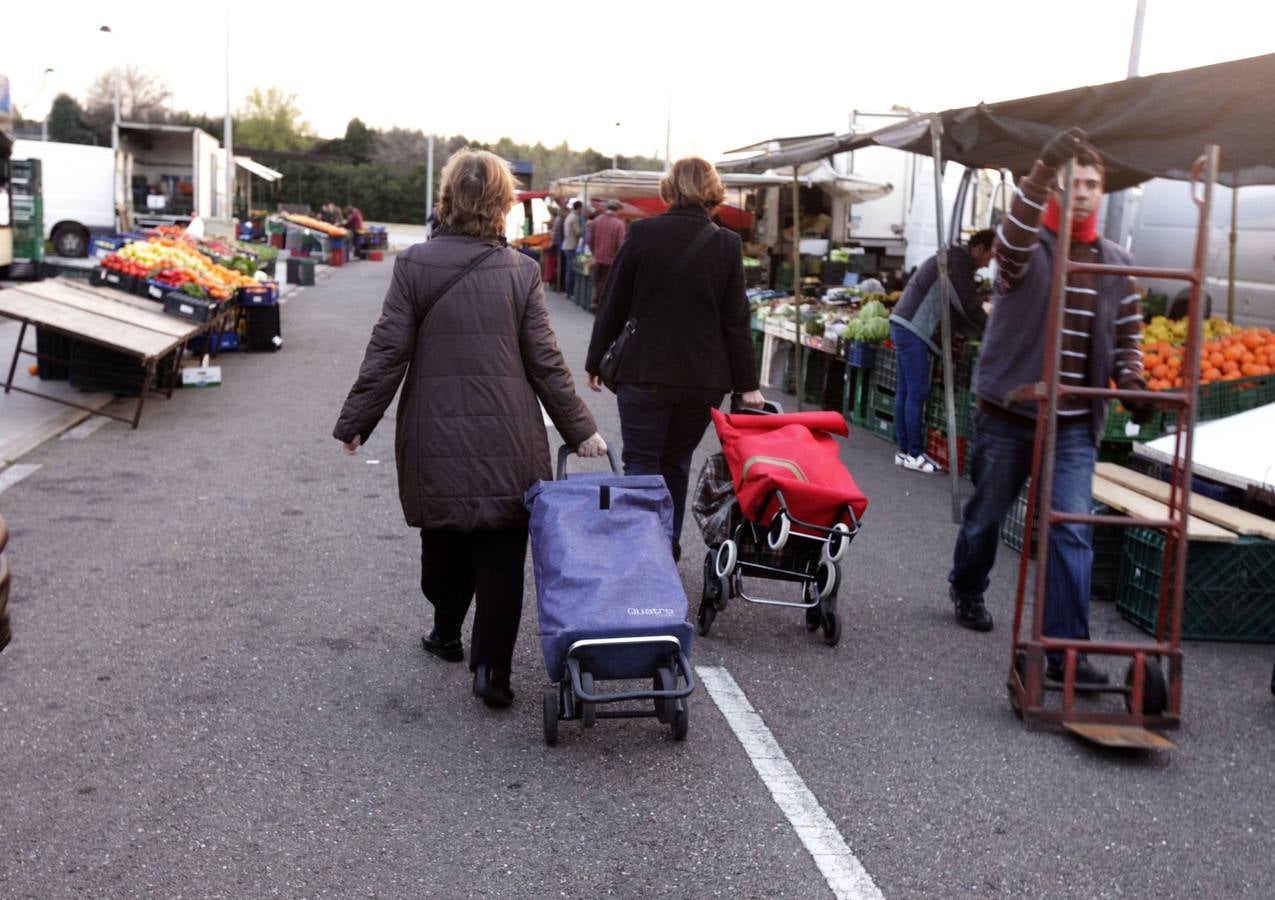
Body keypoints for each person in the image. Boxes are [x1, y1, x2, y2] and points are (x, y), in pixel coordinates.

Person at [333, 149, 607, 709]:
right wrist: (580, 431)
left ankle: (446, 630)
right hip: (510, 438)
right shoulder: (521, 272)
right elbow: (545, 362)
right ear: (503, 204)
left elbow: (388, 351)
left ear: (448, 199)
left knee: (445, 541)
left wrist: (358, 419)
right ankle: (493, 673)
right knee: (503, 553)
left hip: (435, 436)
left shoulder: (414, 265)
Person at [947, 128, 1150, 689]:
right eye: (1072, 182)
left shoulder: (1116, 264)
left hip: (1074, 424)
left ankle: (1064, 651)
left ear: (1101, 192)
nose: (1082, 191)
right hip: (1011, 412)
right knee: (986, 516)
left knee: (1070, 531)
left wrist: (1131, 377)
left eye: (1091, 183)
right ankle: (967, 586)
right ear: (1057, 190)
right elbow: (1012, 235)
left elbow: (1129, 334)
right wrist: (1044, 168)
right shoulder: (1023, 252)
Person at [585, 157, 765, 561]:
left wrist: (596, 359)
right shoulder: (726, 244)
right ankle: (665, 547)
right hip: (704, 379)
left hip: (644, 372)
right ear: (712, 192)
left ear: (670, 188)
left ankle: (640, 552)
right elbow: (736, 320)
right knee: (676, 463)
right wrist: (747, 384)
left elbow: (614, 301)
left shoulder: (643, 233)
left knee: (642, 461)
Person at [888, 229, 995, 472]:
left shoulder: (952, 260)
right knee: (916, 391)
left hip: (904, 324)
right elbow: (967, 306)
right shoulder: (956, 264)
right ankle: (914, 453)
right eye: (990, 255)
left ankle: (904, 451)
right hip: (914, 327)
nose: (989, 263)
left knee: (906, 391)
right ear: (978, 249)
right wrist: (990, 328)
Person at [588, 200, 626, 312]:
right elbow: (621, 244)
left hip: (597, 257)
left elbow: (590, 240)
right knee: (605, 282)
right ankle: (599, 304)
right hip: (610, 260)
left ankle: (594, 302)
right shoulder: (619, 224)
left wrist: (594, 252)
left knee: (598, 280)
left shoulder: (597, 220)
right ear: (617, 210)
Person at [562, 200, 584, 298]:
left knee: (569, 269)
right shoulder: (575, 218)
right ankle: (569, 292)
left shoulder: (569, 216)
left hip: (567, 245)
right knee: (571, 269)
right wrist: (585, 227)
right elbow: (578, 232)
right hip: (571, 246)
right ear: (579, 208)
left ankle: (568, 291)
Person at [549, 205, 567, 289]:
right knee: (559, 266)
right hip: (559, 246)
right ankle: (558, 285)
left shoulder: (557, 219)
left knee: (557, 266)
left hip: (556, 245)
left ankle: (556, 284)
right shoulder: (561, 220)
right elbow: (560, 235)